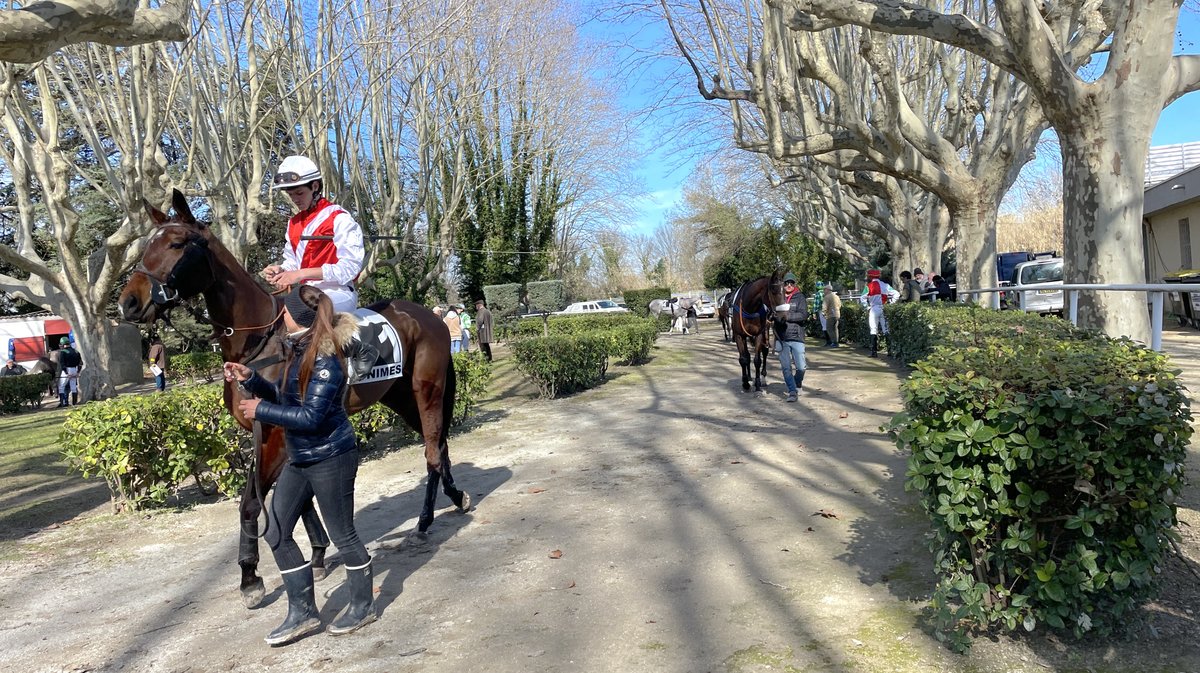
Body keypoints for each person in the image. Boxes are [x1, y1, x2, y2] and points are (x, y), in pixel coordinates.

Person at [222, 285, 376, 645]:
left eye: (285, 311)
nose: (280, 316)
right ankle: (303, 613)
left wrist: (260, 410)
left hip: (331, 457)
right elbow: (287, 398)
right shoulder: (298, 346)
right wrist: (253, 380)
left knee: (343, 535)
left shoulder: (326, 358)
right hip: (301, 456)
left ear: (296, 317)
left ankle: (363, 604)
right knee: (275, 530)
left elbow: (310, 417)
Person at [262, 155, 365, 313]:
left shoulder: (339, 217)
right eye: (291, 195)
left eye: (300, 193)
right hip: (305, 293)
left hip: (338, 293)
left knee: (305, 312)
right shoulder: (293, 223)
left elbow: (351, 268)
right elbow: (293, 263)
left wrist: (300, 274)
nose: (295, 199)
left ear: (315, 186)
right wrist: (281, 270)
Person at [774, 272, 808, 402]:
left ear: (794, 284)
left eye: (791, 283)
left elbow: (803, 315)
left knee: (801, 367)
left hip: (797, 337)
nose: (788, 285)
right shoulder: (778, 298)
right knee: (786, 367)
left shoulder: (800, 297)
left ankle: (796, 383)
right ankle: (792, 391)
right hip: (781, 337)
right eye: (786, 283)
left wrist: (787, 317)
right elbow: (772, 313)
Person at [862, 269, 899, 357]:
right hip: (884, 308)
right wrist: (891, 303)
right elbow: (896, 294)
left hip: (874, 308)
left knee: (873, 329)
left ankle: (874, 352)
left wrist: (866, 307)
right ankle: (890, 351)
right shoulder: (885, 285)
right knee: (886, 329)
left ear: (870, 276)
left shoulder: (868, 286)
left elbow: (862, 298)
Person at [56, 337, 82, 407]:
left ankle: (63, 403)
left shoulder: (63, 352)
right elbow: (80, 363)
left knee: (61, 386)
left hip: (67, 370)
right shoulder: (76, 351)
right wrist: (78, 372)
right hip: (75, 370)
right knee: (73, 386)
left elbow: (62, 363)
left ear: (62, 344)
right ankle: (74, 403)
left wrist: (66, 373)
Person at [822, 282, 842, 347]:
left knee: (829, 328)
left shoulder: (827, 297)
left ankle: (834, 342)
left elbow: (824, 306)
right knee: (835, 328)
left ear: (827, 290)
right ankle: (836, 342)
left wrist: (824, 313)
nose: (823, 291)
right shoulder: (836, 296)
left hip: (830, 315)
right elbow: (840, 305)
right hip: (837, 314)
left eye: (824, 289)